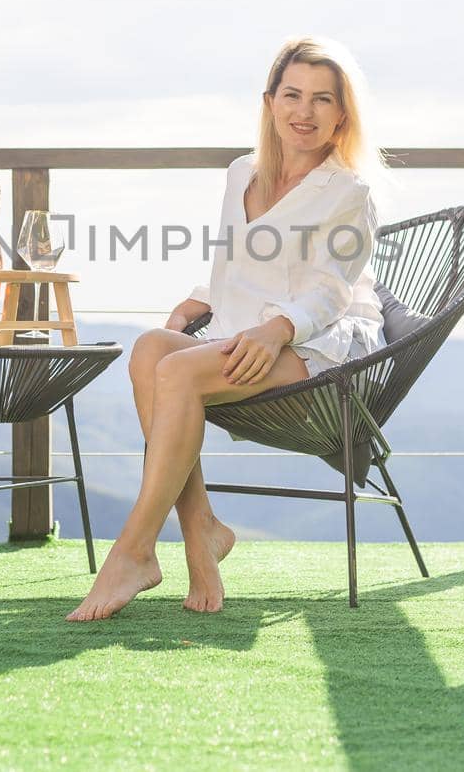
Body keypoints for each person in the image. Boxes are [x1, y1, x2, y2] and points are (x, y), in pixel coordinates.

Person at [68, 36, 385, 621]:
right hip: (243, 333)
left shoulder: (349, 192)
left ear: (342, 114)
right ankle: (202, 531)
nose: (304, 112)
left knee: (180, 371)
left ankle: (134, 550)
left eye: (322, 100)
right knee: (149, 351)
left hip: (319, 347)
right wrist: (194, 303)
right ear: (269, 102)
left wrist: (278, 332)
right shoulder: (242, 172)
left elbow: (331, 291)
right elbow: (233, 265)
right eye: (292, 95)